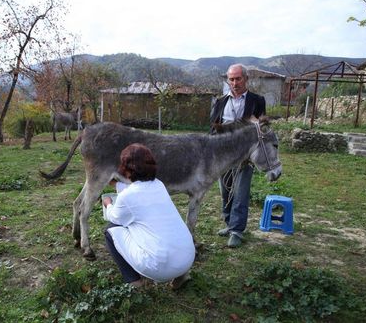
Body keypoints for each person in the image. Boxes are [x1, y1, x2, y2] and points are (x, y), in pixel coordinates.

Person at [102, 143, 195, 289]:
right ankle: (181, 275)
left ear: (126, 169)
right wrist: (116, 185)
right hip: (187, 258)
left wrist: (108, 204)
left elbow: (115, 217)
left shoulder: (127, 196)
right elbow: (139, 190)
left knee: (110, 230)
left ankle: (134, 281)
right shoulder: (159, 185)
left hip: (160, 266)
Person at [209, 64, 266, 248]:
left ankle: (236, 231)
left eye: (238, 79)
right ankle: (228, 223)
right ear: (228, 80)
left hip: (245, 155)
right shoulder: (220, 102)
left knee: (240, 193)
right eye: (231, 79)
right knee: (225, 191)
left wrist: (257, 124)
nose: (235, 83)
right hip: (223, 156)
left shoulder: (257, 100)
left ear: (246, 79)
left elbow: (263, 128)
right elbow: (213, 128)